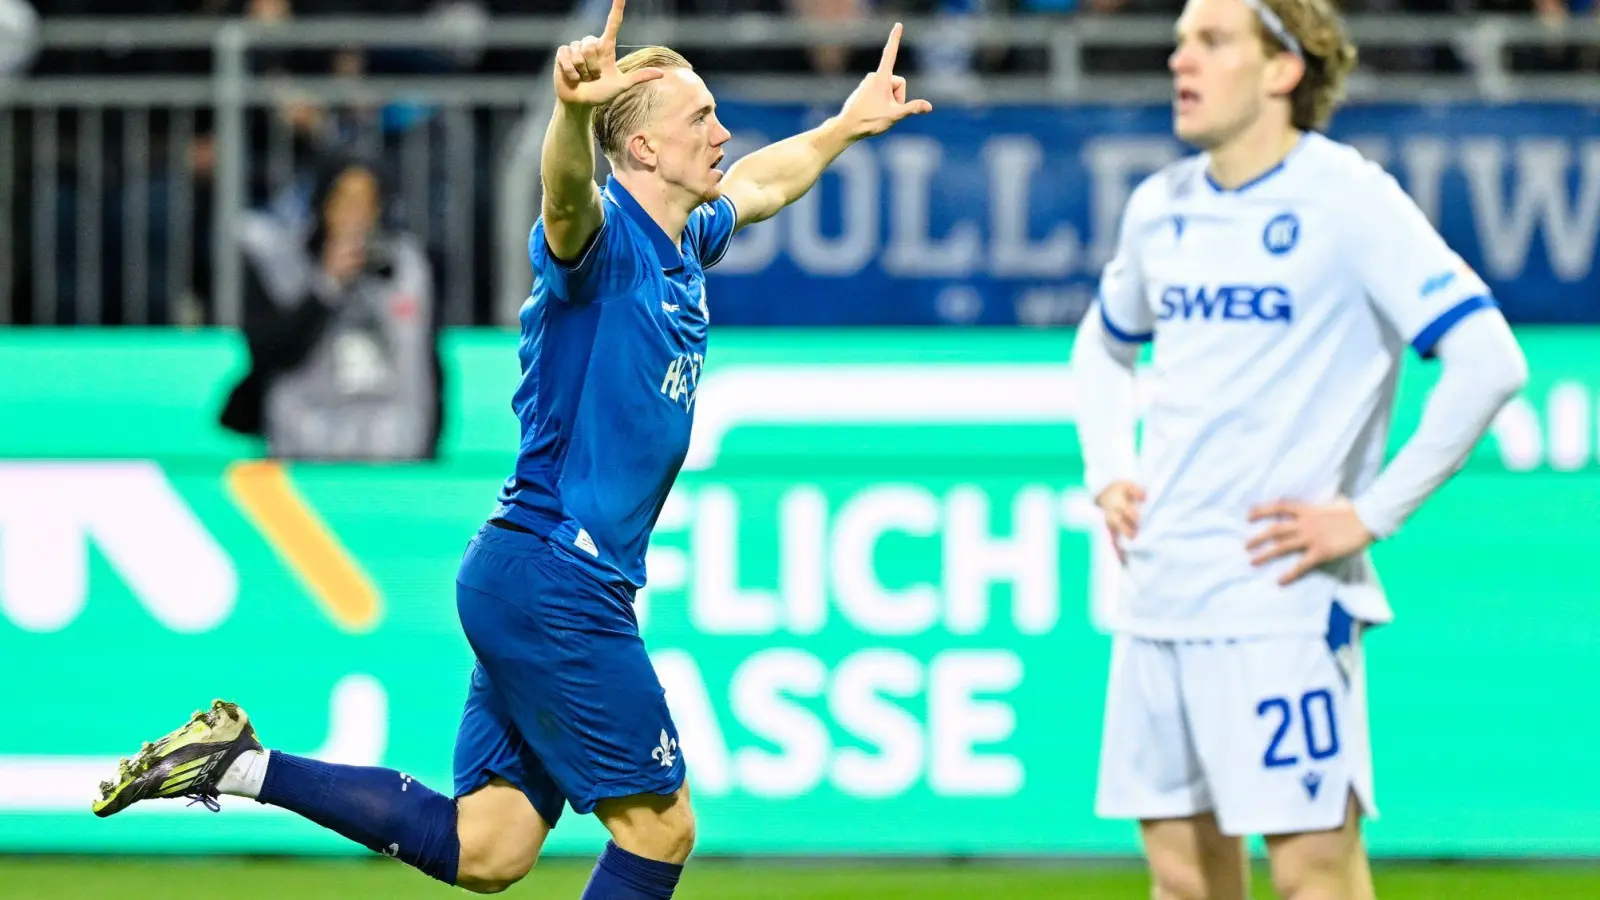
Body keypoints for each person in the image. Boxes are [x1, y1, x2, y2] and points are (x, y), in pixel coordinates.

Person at [90, 2, 930, 897]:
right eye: (700, 118)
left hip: (526, 576)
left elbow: (762, 183)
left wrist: (845, 125)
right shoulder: (601, 244)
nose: (722, 133)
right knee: (662, 827)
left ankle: (241, 765)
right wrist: (569, 113)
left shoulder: (686, 235)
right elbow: (565, 197)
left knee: (490, 848)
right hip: (559, 580)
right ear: (642, 148)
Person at [1073, 0, 1529, 898]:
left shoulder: (1348, 199)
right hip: (1160, 592)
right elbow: (1102, 344)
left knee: (1313, 879)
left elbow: (1489, 362)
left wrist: (1370, 515)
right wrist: (1109, 468)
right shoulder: (1160, 206)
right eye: (1179, 41)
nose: (1179, 60)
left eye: (1211, 41)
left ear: (1283, 68)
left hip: (1279, 598)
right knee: (1182, 880)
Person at [218, 154, 445, 462]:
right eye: (346, 202)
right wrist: (326, 285)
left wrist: (427, 446)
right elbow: (271, 353)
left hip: (390, 448)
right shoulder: (281, 265)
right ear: (324, 204)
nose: (356, 216)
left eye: (366, 203)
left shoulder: (408, 270)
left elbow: (426, 363)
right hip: (302, 445)